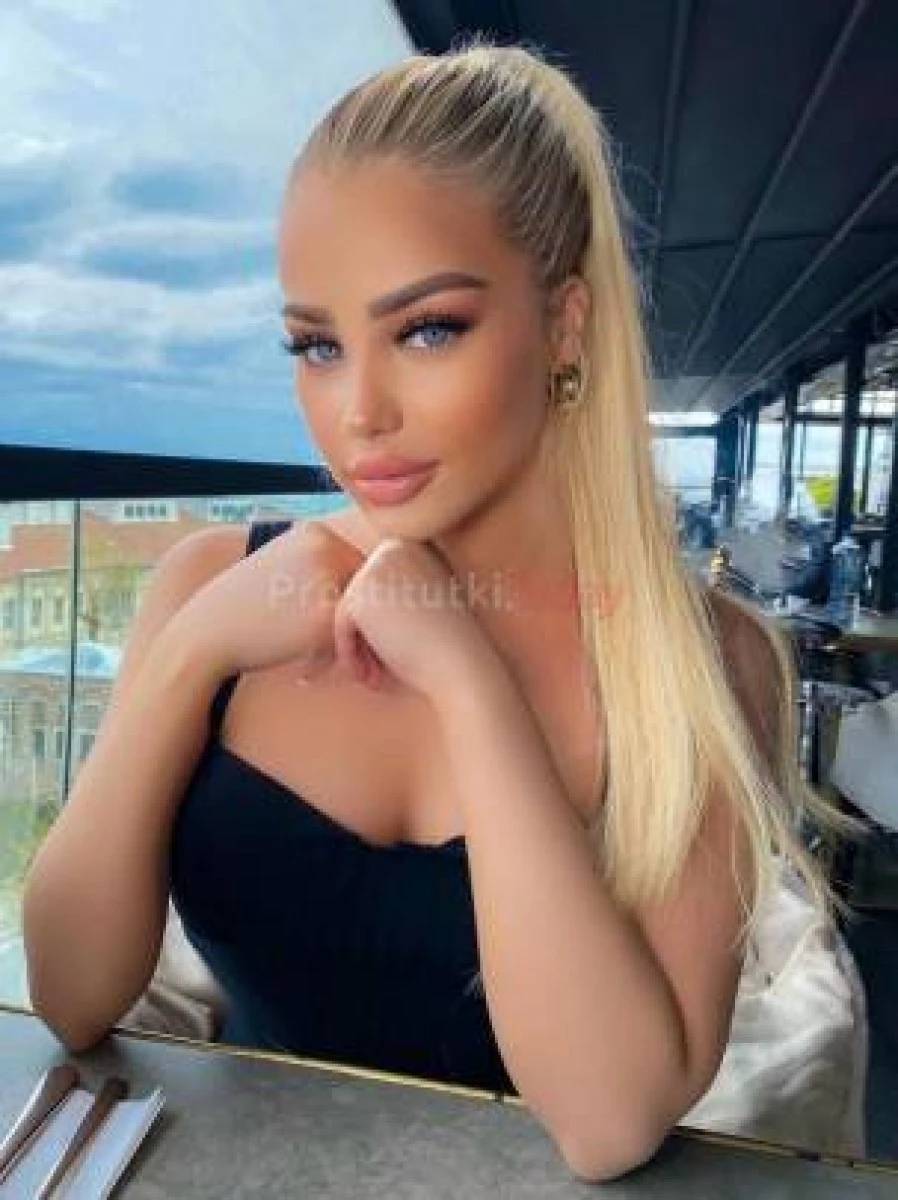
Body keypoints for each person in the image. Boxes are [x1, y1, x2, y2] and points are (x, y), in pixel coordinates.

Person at [22, 41, 858, 1182]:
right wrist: (190, 652)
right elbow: (68, 996)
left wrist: (469, 682)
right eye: (317, 345)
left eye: (427, 329)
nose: (357, 411)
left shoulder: (700, 662)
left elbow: (609, 1121)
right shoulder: (208, 583)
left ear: (564, 325)